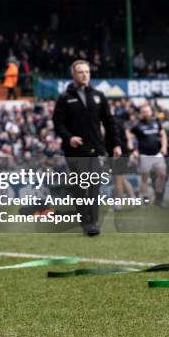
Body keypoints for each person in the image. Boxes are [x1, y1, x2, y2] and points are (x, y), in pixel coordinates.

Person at [52, 59, 121, 236]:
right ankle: (86, 222)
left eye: (87, 72)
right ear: (73, 75)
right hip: (75, 151)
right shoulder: (64, 98)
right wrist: (69, 138)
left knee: (94, 186)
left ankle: (93, 221)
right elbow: (58, 124)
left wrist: (116, 144)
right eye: (81, 72)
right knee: (82, 187)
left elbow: (109, 122)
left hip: (95, 149)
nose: (85, 75)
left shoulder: (98, 96)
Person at [130, 104, 168, 207]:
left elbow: (163, 134)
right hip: (144, 155)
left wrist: (164, 147)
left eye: (147, 111)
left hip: (157, 154)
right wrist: (133, 150)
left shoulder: (157, 123)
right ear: (141, 114)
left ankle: (158, 198)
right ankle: (145, 200)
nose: (146, 113)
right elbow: (128, 136)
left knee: (162, 174)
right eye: (144, 111)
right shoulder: (137, 126)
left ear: (151, 112)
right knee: (145, 179)